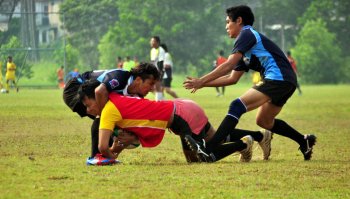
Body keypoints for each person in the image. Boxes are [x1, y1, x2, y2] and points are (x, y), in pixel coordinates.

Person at [183, 5, 316, 161]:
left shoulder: (246, 33)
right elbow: (231, 78)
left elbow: (229, 64)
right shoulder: (245, 48)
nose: (226, 27)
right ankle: (303, 140)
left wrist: (201, 80)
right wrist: (203, 84)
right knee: (264, 121)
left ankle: (209, 149)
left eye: (228, 22)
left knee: (236, 106)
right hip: (287, 80)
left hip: (278, 78)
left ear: (239, 20)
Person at [79, 80, 273, 163]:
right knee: (213, 139)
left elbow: (103, 148)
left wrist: (110, 158)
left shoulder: (109, 110)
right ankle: (257, 136)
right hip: (183, 107)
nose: (88, 111)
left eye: (88, 105)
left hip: (181, 115)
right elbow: (120, 142)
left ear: (98, 97)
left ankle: (243, 144)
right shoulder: (117, 99)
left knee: (204, 156)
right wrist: (116, 150)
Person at [63, 62, 160, 162]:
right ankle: (98, 156)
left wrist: (132, 137)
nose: (153, 88)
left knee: (113, 120)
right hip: (74, 88)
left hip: (90, 91)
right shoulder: (120, 76)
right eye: (151, 84)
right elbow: (99, 91)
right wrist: (105, 117)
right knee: (105, 117)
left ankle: (105, 155)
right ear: (139, 80)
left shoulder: (138, 97)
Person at [150, 36, 165, 101]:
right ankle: (163, 101)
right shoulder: (152, 50)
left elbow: (161, 62)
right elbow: (153, 61)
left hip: (159, 70)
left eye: (153, 41)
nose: (151, 42)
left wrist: (159, 73)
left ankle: (158, 102)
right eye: (151, 41)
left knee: (157, 87)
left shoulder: (161, 50)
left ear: (157, 42)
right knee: (154, 88)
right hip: (154, 71)